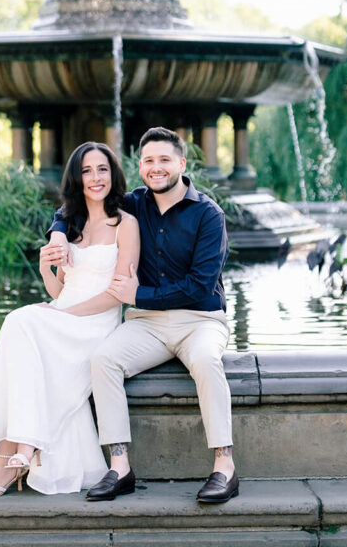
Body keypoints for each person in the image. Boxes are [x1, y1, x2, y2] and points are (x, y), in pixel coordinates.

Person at [49, 127, 237, 504]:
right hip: (147, 323)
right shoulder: (134, 204)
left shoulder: (208, 214)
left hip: (199, 320)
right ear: (140, 167)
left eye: (164, 160)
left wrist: (139, 294)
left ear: (181, 164)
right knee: (103, 359)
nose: (156, 168)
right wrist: (57, 232)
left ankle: (225, 467)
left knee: (205, 360)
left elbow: (200, 287)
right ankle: (119, 467)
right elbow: (80, 203)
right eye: (148, 161)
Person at [0, 142, 140, 498]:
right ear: (76, 179)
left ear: (114, 174)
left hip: (96, 321)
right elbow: (59, 290)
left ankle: (11, 458)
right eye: (87, 171)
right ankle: (19, 450)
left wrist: (62, 313)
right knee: (19, 323)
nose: (96, 178)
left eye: (102, 169)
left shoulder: (126, 224)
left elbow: (117, 295)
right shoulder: (70, 224)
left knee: (22, 320)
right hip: (64, 314)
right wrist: (46, 266)